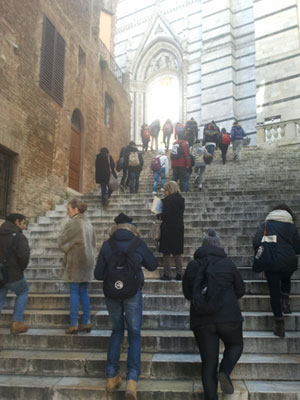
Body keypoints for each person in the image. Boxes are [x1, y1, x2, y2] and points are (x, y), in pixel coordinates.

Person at [94, 213, 158, 400]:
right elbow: (153, 265)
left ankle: (112, 376)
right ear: (132, 227)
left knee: (116, 331)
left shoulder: (107, 245)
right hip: (132, 293)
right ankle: (132, 380)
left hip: (112, 294)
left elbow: (98, 274)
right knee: (134, 333)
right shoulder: (138, 243)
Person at [183, 229, 245, 400]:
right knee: (235, 345)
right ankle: (224, 371)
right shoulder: (228, 264)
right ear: (219, 245)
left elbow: (188, 294)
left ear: (202, 246)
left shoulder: (193, 265)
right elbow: (241, 290)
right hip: (229, 317)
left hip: (202, 320)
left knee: (208, 364)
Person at [253, 204, 300, 338]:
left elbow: (256, 242)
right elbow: (298, 247)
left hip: (271, 262)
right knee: (286, 278)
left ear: (273, 213)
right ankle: (285, 303)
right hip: (289, 262)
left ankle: (280, 327)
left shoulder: (266, 224)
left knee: (274, 292)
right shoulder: (291, 226)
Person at [58, 198, 96, 334]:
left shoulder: (73, 223)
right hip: (87, 262)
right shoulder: (88, 223)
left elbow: (61, 242)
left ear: (75, 209)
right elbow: (93, 244)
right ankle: (86, 322)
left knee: (74, 291)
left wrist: (63, 230)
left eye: (68, 209)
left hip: (75, 262)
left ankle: (73, 323)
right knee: (83, 291)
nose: (67, 212)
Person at [0, 213, 30, 334]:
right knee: (23, 291)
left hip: (0, 275)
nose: (25, 226)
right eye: (24, 222)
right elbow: (24, 257)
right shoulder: (20, 237)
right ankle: (17, 322)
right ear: (17, 222)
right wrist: (21, 269)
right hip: (14, 275)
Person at [157, 181, 185, 281]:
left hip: (168, 227)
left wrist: (158, 215)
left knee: (166, 251)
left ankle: (167, 274)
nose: (164, 192)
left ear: (169, 190)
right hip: (178, 227)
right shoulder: (181, 200)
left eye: (165, 190)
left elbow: (164, 216)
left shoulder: (165, 201)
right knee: (177, 252)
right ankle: (180, 274)